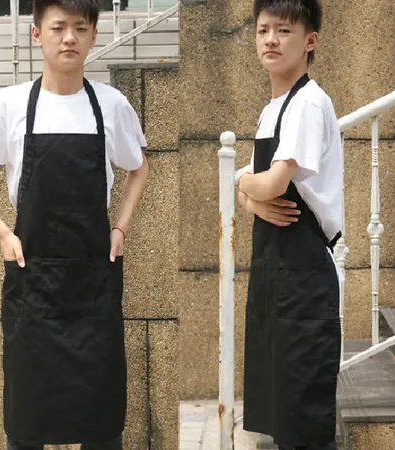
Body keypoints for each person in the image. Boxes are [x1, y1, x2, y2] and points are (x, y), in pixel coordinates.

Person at [0, 1, 149, 449]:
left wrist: (120, 229)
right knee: (27, 421)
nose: (69, 38)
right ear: (37, 34)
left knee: (101, 425)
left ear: (94, 35)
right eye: (58, 27)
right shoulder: (8, 105)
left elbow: (139, 168)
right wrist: (4, 233)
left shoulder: (111, 105)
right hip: (33, 283)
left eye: (80, 28)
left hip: (93, 284)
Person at [236, 1, 342, 449]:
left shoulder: (308, 104)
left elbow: (272, 182)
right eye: (263, 30)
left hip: (303, 278)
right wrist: (251, 198)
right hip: (274, 277)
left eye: (283, 30)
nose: (271, 40)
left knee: (304, 423)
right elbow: (255, 192)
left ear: (310, 40)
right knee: (283, 418)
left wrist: (245, 185)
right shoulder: (273, 109)